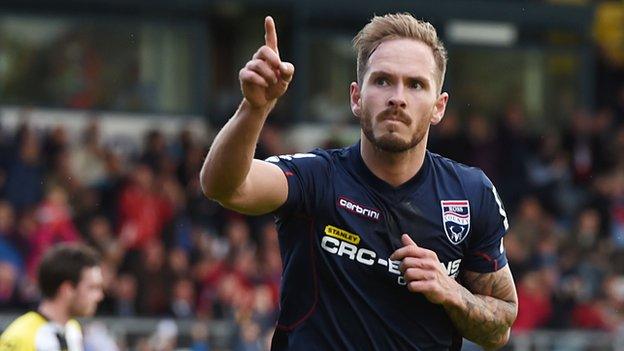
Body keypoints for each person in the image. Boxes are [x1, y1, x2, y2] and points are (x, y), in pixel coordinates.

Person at [200, 13, 518, 350]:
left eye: (415, 84)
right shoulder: (316, 178)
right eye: (382, 81)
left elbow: (499, 329)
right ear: (356, 97)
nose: (398, 97)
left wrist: (451, 290)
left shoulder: (471, 194)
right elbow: (224, 187)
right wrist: (254, 108)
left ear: (438, 107)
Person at [0, 243, 104, 351]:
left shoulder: (73, 330)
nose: (100, 296)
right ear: (67, 289)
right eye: (92, 288)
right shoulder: (21, 337)